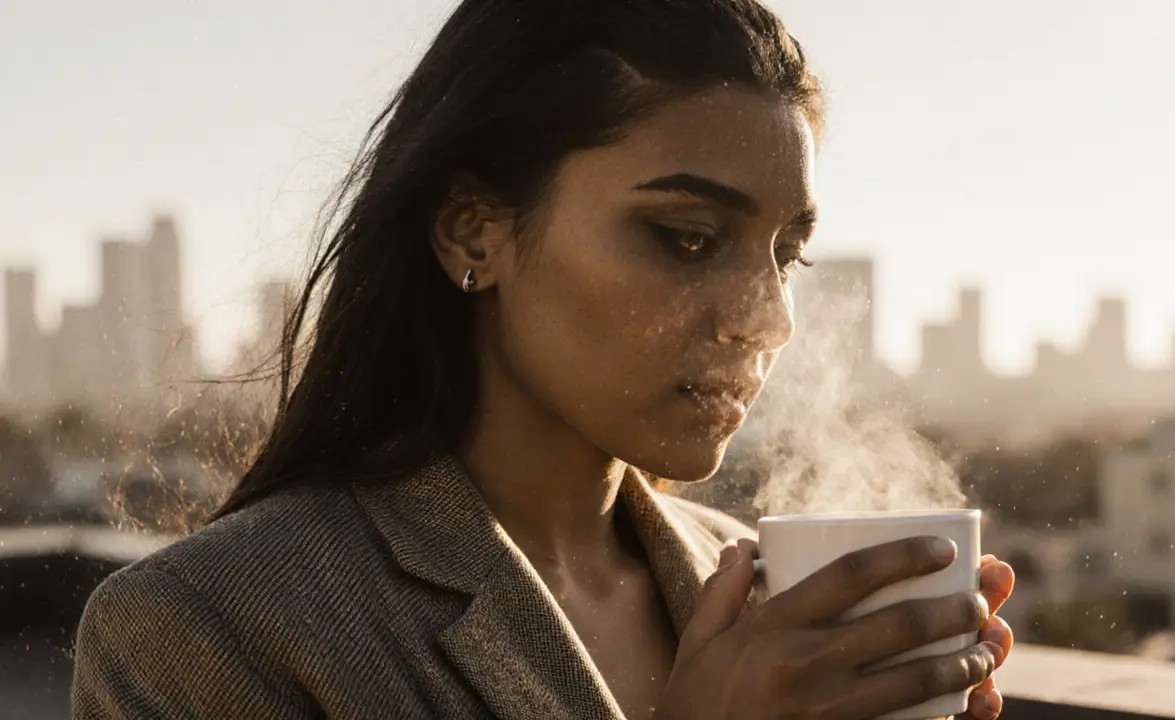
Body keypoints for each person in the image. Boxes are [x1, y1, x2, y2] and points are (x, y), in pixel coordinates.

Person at [71, 0, 1017, 718]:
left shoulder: (748, 591)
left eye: (787, 256)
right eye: (689, 238)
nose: (768, 320)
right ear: (471, 231)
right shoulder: (204, 627)